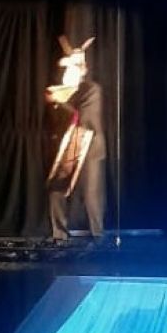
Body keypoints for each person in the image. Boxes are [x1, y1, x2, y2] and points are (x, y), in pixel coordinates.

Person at [45, 36, 105, 244]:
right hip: (66, 146)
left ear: (83, 70)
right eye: (69, 66)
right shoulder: (59, 91)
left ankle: (97, 236)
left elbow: (82, 119)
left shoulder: (91, 90)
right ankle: (59, 235)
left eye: (77, 66)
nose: (72, 70)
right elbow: (53, 122)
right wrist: (56, 101)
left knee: (91, 195)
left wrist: (59, 102)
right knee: (56, 189)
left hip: (89, 145)